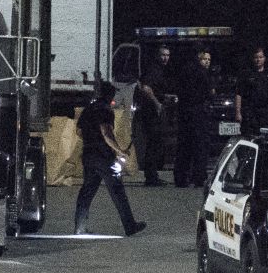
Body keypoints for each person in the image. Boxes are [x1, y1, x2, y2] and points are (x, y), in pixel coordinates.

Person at [74, 82, 147, 237]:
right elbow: (106, 133)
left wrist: (90, 139)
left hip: (88, 155)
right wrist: (119, 151)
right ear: (110, 95)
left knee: (86, 191)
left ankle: (79, 227)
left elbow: (78, 131)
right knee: (117, 191)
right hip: (104, 156)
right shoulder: (106, 110)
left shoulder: (89, 109)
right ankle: (130, 226)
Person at [173, 47, 218, 188]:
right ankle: (198, 177)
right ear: (199, 56)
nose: (207, 62)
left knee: (184, 145)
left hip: (185, 112)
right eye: (205, 58)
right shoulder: (203, 73)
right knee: (200, 146)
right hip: (198, 112)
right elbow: (211, 92)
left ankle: (181, 177)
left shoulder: (184, 70)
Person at [133, 45, 172, 186]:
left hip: (153, 110)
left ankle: (153, 175)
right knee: (154, 143)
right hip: (151, 112)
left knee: (156, 143)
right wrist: (157, 104)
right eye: (163, 55)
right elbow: (146, 88)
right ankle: (151, 177)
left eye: (167, 55)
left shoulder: (160, 70)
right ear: (157, 55)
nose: (165, 58)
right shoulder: (154, 70)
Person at [235, 46, 268, 135]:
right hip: (251, 112)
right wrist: (238, 112)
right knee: (250, 136)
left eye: (260, 57)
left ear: (264, 58)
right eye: (256, 57)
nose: (258, 60)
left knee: (266, 137)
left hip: (267, 112)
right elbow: (239, 93)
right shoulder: (246, 74)